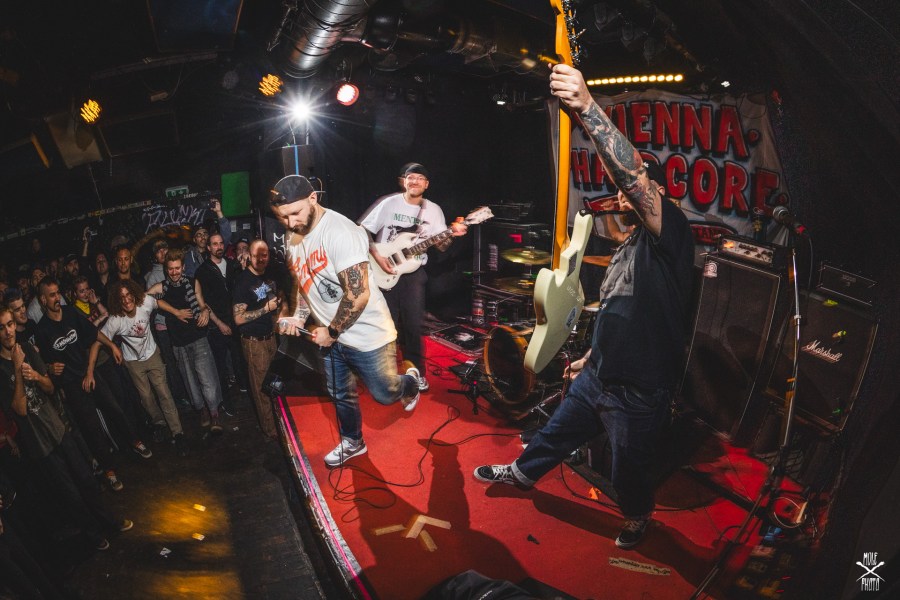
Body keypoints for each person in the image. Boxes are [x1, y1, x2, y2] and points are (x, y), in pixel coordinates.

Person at [473, 64, 695, 550]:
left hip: (638, 390)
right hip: (601, 374)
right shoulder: (628, 245)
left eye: (633, 190)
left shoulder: (672, 233)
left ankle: (637, 514)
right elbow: (619, 312)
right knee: (555, 432)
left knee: (627, 467)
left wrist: (587, 107)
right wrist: (591, 357)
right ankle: (523, 473)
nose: (620, 195)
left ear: (657, 194)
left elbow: (633, 179)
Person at [271, 175, 421, 468]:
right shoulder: (293, 236)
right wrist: (299, 316)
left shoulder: (341, 232)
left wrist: (332, 331)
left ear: (313, 198)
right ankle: (353, 441)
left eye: (295, 213)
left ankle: (410, 383)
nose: (289, 222)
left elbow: (358, 294)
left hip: (368, 334)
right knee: (340, 393)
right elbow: (305, 282)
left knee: (384, 393)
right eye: (282, 217)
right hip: (331, 336)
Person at [0, 303, 133, 551]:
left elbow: (50, 387)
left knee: (87, 480)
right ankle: (93, 535)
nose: (8, 331)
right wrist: (18, 370)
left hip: (58, 429)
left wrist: (37, 376)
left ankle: (109, 522)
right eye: (2, 327)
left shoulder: (27, 348)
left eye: (10, 324)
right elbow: (20, 409)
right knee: (70, 493)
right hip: (39, 444)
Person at [359, 163, 468, 391]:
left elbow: (441, 246)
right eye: (411, 177)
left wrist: (452, 233)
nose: (415, 181)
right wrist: (378, 256)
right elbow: (362, 229)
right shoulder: (388, 203)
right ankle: (383, 375)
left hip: (414, 273)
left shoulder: (433, 210)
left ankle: (415, 373)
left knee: (413, 326)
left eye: (420, 178)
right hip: (383, 268)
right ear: (403, 181)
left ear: (426, 184)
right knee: (384, 325)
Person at [89, 279, 190, 457]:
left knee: (164, 393)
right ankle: (159, 423)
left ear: (134, 294)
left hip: (152, 354)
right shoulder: (116, 320)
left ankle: (178, 433)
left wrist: (177, 312)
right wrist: (92, 368)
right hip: (133, 362)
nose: (127, 300)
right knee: (146, 397)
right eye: (122, 298)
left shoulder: (144, 302)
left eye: (128, 295)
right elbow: (97, 341)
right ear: (117, 301)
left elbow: (158, 302)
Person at [147, 250, 224, 434]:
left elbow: (202, 304)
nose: (174, 272)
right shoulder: (162, 287)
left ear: (183, 267)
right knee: (190, 381)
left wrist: (204, 312)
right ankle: (202, 410)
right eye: (170, 269)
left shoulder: (192, 282)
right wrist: (175, 312)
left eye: (177, 268)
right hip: (178, 342)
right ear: (166, 270)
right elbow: (144, 298)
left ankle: (214, 413)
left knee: (207, 378)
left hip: (198, 337)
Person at [231, 240, 281, 440]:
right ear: (249, 256)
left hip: (271, 338)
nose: (261, 259)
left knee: (275, 385)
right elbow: (238, 318)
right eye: (256, 255)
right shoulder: (243, 282)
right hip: (254, 343)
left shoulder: (269, 275)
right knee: (262, 390)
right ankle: (272, 432)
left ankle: (282, 424)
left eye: (264, 255)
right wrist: (265, 309)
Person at [183, 198, 233, 278]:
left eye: (205, 233)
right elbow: (191, 277)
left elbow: (226, 234)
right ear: (194, 240)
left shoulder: (215, 249)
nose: (203, 237)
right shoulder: (189, 256)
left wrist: (219, 212)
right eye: (199, 235)